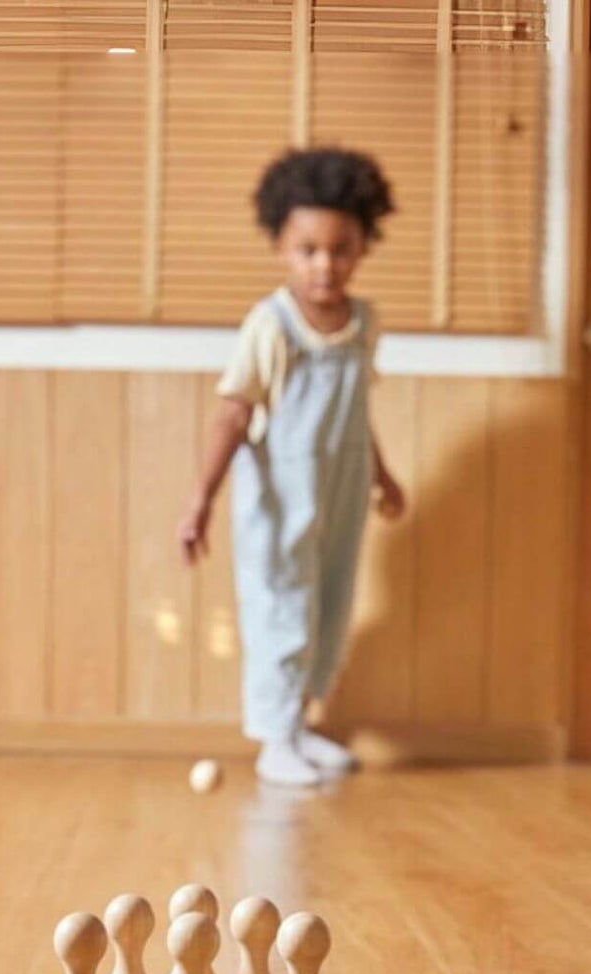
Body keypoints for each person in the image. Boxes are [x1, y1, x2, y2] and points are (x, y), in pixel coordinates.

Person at [178, 146, 407, 787]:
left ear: (363, 246)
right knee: (282, 606)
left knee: (326, 608)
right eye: (308, 249)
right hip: (282, 493)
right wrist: (202, 499)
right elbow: (232, 413)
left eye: (342, 248)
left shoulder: (364, 324)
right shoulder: (271, 325)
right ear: (282, 244)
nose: (325, 264)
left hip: (341, 488)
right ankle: (274, 739)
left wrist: (383, 477)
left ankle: (301, 726)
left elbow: (355, 408)